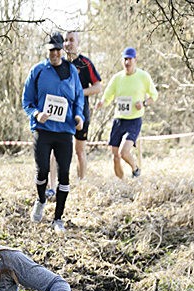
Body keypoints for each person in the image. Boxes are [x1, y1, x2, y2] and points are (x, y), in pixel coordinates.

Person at [22, 32, 85, 234]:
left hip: (65, 132)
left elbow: (78, 99)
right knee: (42, 171)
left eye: (58, 49)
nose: (55, 53)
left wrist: (79, 117)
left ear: (62, 50)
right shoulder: (38, 71)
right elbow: (26, 102)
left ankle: (58, 218)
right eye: (52, 50)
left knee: (64, 175)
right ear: (47, 50)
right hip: (43, 130)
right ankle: (40, 200)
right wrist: (37, 113)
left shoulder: (71, 71)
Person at [97, 47, 158, 179]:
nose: (127, 62)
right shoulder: (117, 78)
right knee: (115, 156)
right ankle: (122, 183)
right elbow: (108, 96)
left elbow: (154, 95)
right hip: (119, 119)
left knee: (123, 152)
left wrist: (144, 103)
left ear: (135, 60)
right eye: (125, 59)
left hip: (134, 120)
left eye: (130, 59)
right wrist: (102, 103)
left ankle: (135, 169)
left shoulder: (143, 76)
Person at [64, 30, 102, 179]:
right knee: (60, 150)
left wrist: (79, 92)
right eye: (66, 40)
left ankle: (81, 182)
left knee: (79, 151)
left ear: (78, 43)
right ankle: (60, 182)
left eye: (72, 40)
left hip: (81, 113)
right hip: (62, 113)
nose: (68, 43)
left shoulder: (85, 63)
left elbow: (98, 87)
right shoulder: (59, 63)